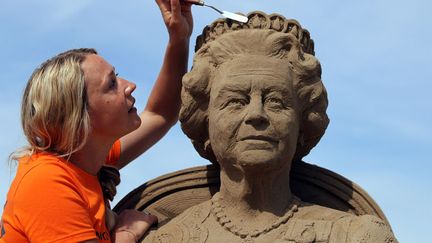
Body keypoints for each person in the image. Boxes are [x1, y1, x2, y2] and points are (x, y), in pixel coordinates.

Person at [143, 12, 397, 242]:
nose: (256, 114)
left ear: (303, 122)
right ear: (205, 120)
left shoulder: (354, 237)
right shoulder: (165, 239)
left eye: (276, 101)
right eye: (235, 101)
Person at [0, 0, 193, 242]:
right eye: (111, 84)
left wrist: (179, 37)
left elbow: (161, 114)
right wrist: (127, 233)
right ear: (79, 118)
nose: (130, 86)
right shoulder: (46, 182)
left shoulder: (88, 158)